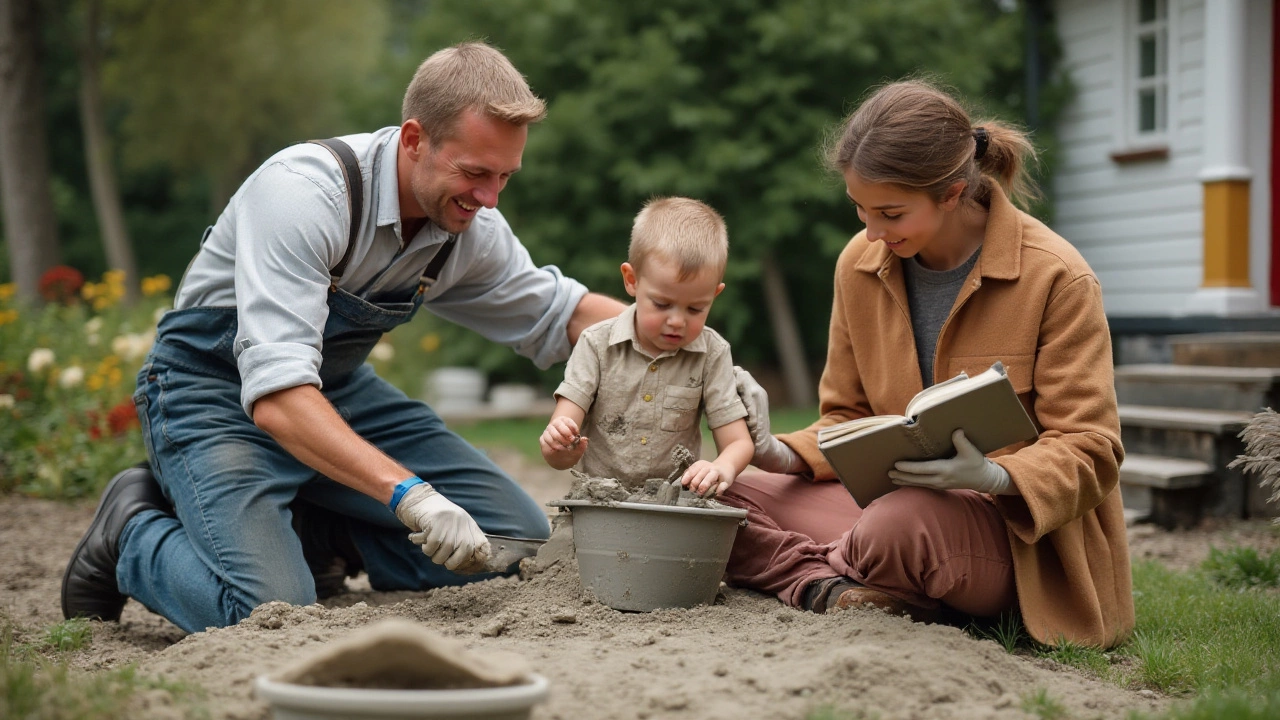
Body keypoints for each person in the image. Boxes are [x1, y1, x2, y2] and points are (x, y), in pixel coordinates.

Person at [61, 42, 626, 634]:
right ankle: (130, 530)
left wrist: (696, 351)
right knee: (266, 612)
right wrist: (412, 495)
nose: (489, 198)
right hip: (209, 393)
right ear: (414, 140)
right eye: (475, 172)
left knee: (516, 548)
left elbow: (560, 313)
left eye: (505, 176)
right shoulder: (303, 196)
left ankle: (317, 531)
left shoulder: (467, 226)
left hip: (335, 392)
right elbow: (278, 397)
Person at [723, 79, 1133, 648]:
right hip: (885, 508)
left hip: (1009, 538)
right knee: (718, 489)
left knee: (897, 526)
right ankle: (835, 586)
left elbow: (1092, 448)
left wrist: (997, 477)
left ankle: (833, 573)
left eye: (890, 213)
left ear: (952, 192)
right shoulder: (859, 264)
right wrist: (779, 451)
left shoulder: (1058, 277)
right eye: (860, 209)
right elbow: (846, 417)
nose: (871, 232)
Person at [540, 197, 754, 497]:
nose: (677, 321)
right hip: (598, 503)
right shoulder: (596, 344)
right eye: (662, 304)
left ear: (715, 295)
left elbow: (738, 443)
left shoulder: (712, 353)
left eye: (696, 309)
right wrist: (561, 447)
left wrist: (722, 467)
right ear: (632, 280)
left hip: (672, 506)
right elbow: (558, 449)